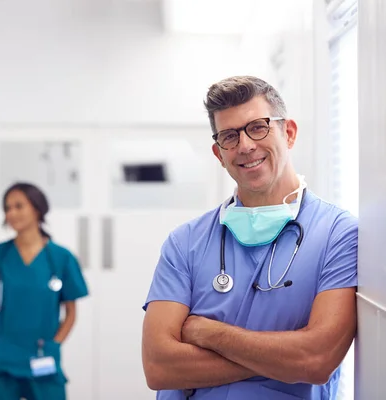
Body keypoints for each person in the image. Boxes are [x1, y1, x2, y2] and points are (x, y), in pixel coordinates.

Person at [141, 76, 357, 400]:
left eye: (258, 127)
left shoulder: (338, 235)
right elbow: (159, 367)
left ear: (289, 132)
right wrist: (284, 360)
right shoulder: (185, 242)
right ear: (219, 153)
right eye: (229, 136)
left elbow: (316, 360)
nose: (244, 146)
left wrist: (206, 333)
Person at [0, 182, 89, 400]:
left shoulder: (61, 259)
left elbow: (71, 312)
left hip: (42, 357)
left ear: (37, 208)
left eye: (18, 206)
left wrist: (54, 345)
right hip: (2, 361)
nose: (11, 213)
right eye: (7, 208)